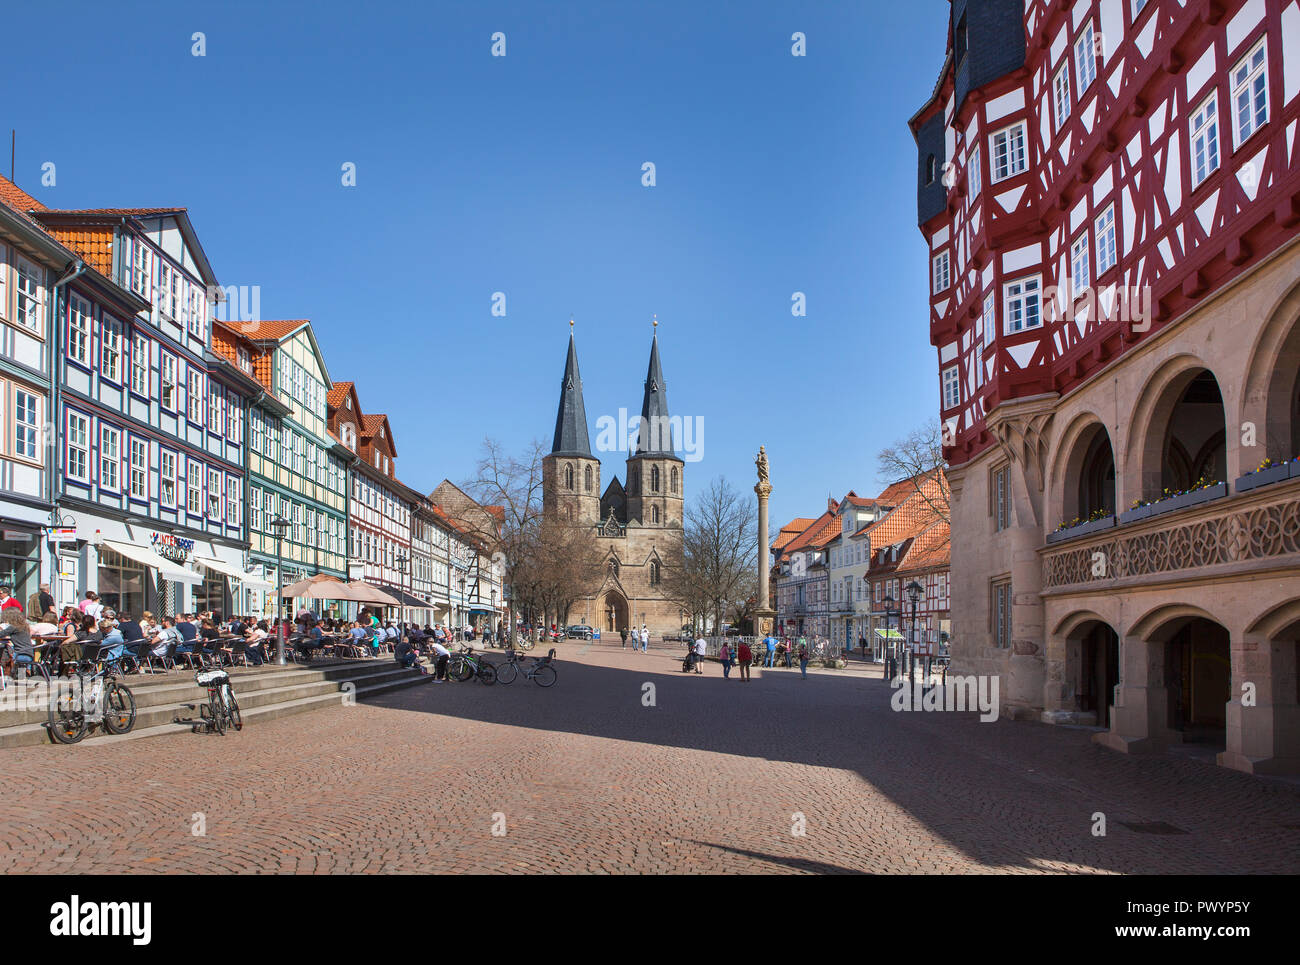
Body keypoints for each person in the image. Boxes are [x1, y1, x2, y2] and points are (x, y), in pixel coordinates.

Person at [0, 609, 34, 679]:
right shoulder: (25, 626)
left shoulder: (13, 627)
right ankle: (19, 676)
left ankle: (5, 675)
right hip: (29, 654)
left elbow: (1, 634)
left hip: (19, 654)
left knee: (5, 651)